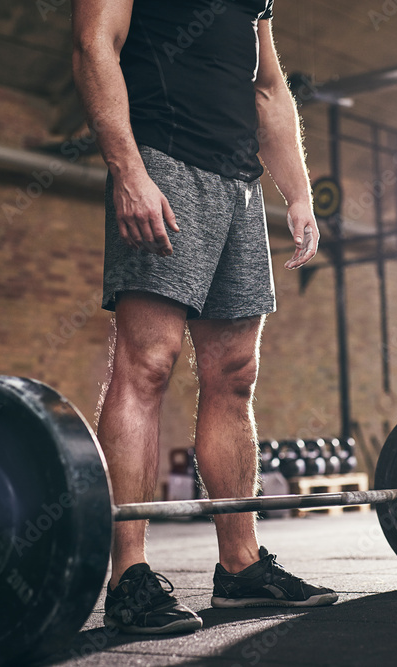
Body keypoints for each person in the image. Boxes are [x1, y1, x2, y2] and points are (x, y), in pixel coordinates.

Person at [71, 0, 336, 634]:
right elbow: (93, 45)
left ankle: (241, 569)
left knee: (236, 373)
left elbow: (269, 88)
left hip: (240, 183)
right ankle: (129, 576)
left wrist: (297, 192)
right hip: (163, 160)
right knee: (148, 363)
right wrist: (128, 171)